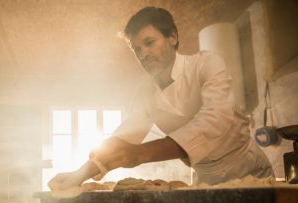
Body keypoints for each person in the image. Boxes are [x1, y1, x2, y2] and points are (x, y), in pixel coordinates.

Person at [48, 7, 273, 190]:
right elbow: (122, 138)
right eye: (137, 49)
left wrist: (141, 153)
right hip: (205, 183)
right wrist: (78, 175)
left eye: (149, 43)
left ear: (172, 37)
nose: (143, 54)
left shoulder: (206, 64)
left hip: (251, 174)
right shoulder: (145, 94)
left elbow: (215, 120)